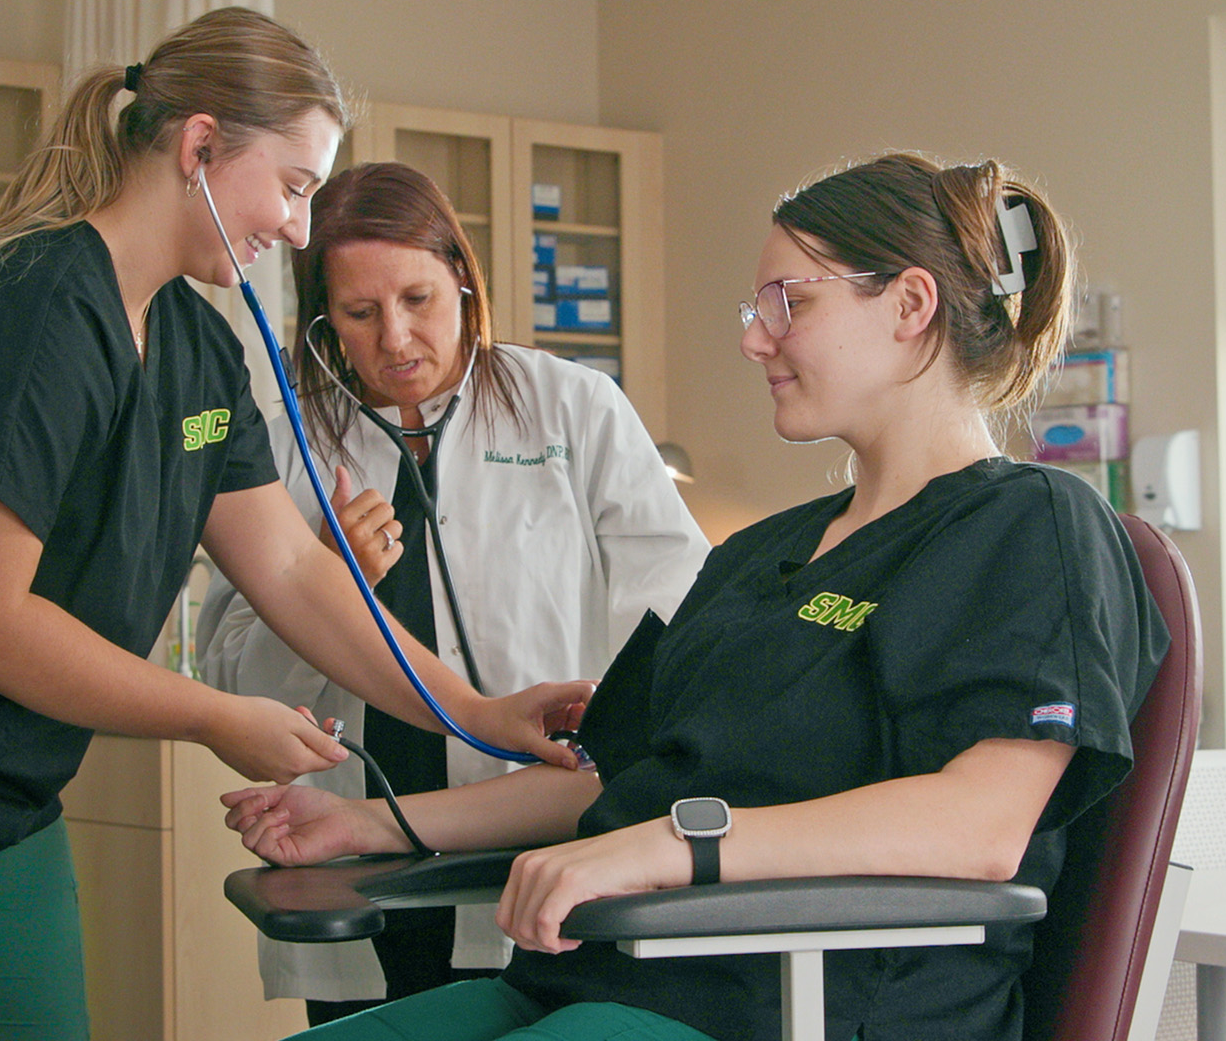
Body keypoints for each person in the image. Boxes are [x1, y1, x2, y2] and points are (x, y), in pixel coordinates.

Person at [0, 8, 589, 1041]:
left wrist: (473, 710)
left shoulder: (197, 343)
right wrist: (209, 714)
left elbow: (287, 565)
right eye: (291, 186)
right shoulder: (33, 314)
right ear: (198, 147)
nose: (297, 230)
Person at [222, 152, 1172, 1041]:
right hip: (585, 982)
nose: (756, 337)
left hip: (779, 1007)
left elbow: (980, 825)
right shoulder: (765, 554)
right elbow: (614, 778)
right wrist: (367, 824)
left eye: (787, 302)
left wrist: (674, 848)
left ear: (910, 304)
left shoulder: (1032, 526)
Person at [198, 162, 710, 1022]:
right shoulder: (282, 450)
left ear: (465, 286)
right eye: (360, 315)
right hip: (354, 867)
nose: (395, 339)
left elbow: (679, 621)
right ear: (324, 324)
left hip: (541, 850)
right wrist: (325, 581)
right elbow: (241, 695)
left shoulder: (571, 410)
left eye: (419, 300)